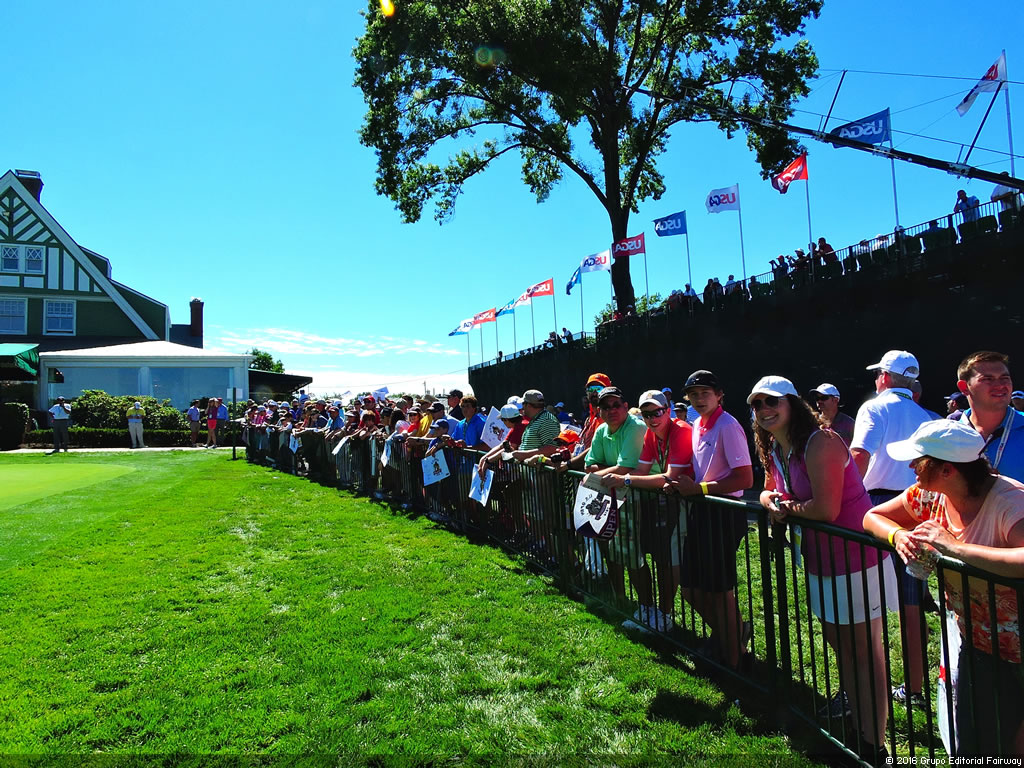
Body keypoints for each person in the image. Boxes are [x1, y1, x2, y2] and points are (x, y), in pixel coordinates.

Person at [752, 376, 893, 761]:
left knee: (865, 651)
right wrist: (769, 499)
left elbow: (826, 509)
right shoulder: (776, 446)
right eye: (757, 404)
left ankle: (874, 743)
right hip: (820, 560)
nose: (764, 410)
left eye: (771, 402)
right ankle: (860, 725)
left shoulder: (822, 441)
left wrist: (785, 510)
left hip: (855, 558)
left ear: (792, 404)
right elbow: (767, 486)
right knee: (843, 648)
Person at [863, 420, 1024, 756]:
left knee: (1012, 750)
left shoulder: (1011, 502)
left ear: (948, 470)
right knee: (976, 747)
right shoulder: (931, 494)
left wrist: (954, 549)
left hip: (1018, 655)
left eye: (918, 461)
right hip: (978, 644)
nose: (909, 467)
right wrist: (900, 535)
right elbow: (873, 516)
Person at [850, 350, 933, 704]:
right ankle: (915, 688)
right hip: (918, 506)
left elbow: (859, 456)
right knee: (911, 599)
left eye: (878, 374)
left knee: (868, 600)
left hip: (878, 509)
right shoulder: (925, 414)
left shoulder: (874, 407)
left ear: (884, 377)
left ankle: (872, 680)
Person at [666, 369, 754, 670]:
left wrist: (699, 488)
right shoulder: (697, 426)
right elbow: (703, 471)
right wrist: (682, 484)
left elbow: (745, 477)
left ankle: (734, 661)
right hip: (703, 509)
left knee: (718, 591)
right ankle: (731, 637)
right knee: (692, 589)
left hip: (724, 512)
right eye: (693, 394)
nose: (699, 398)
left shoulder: (728, 426)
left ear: (719, 396)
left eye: (705, 393)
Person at [600, 390, 694, 632]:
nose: (652, 418)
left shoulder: (681, 430)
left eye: (657, 412)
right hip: (670, 500)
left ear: (668, 410)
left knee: (669, 559)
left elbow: (671, 476)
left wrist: (626, 480)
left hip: (690, 502)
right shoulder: (652, 436)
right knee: (662, 556)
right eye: (647, 414)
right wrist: (626, 477)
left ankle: (664, 615)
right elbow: (642, 471)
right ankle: (654, 612)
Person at [581, 387, 647, 622]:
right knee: (610, 550)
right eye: (605, 406)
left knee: (631, 555)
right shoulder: (601, 430)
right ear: (600, 411)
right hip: (609, 497)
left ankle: (647, 607)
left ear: (625, 406)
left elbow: (624, 468)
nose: (611, 410)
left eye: (615, 405)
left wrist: (595, 475)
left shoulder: (636, 427)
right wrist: (598, 474)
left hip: (633, 497)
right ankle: (620, 598)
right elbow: (590, 464)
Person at [953, 350, 1024, 482]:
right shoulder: (949, 434)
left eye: (1005, 378)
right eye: (988, 379)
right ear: (964, 387)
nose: (1000, 385)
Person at [511, 390, 562, 463]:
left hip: (540, 473)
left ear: (528, 405)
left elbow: (552, 448)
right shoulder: (537, 419)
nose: (522, 408)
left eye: (523, 404)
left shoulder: (547, 420)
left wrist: (524, 455)